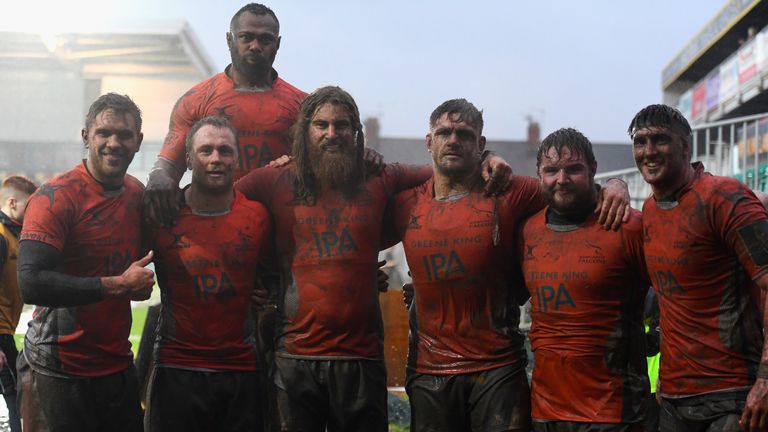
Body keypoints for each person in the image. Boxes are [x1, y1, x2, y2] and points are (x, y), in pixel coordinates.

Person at [235, 86, 526, 431]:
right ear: (304, 131)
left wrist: (488, 156)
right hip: (293, 356)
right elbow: (217, 206)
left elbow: (447, 167)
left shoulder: (381, 177)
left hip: (362, 357)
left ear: (356, 132)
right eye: (321, 125)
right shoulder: (273, 179)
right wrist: (251, 279)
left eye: (342, 125)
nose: (332, 133)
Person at [393, 104, 631, 432]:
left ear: (481, 144)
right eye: (444, 133)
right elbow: (357, 235)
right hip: (429, 370)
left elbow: (569, 191)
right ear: (428, 141)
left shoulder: (510, 191)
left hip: (498, 369)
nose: (453, 140)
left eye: (464, 134)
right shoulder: (405, 202)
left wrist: (616, 185)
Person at [16, 93, 155, 431]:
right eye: (103, 133)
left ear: (138, 141)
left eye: (124, 135)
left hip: (115, 365)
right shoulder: (56, 197)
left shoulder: (136, 194)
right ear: (86, 137)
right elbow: (31, 282)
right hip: (57, 368)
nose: (114, 143)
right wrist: (118, 286)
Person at [629, 104, 768, 432]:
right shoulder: (649, 210)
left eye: (660, 140)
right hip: (674, 398)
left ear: (685, 147)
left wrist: (765, 380)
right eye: (640, 142)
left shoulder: (725, 197)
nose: (649, 151)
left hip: (732, 395)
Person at [144, 116, 271, 431]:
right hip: (177, 367)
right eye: (206, 150)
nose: (216, 159)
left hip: (240, 370)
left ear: (237, 158)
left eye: (225, 151)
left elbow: (277, 275)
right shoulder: (162, 215)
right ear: (189, 159)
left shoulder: (258, 217)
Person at [519, 127, 649, 431]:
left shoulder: (628, 226)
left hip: (615, 413)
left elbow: (677, 295)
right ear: (539, 174)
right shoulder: (526, 232)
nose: (562, 179)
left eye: (573, 169)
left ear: (593, 169)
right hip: (546, 410)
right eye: (551, 170)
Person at [145, 2, 306, 225]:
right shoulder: (196, 100)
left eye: (265, 39)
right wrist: (159, 177)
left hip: (279, 223)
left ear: (277, 44)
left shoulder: (302, 105)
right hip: (214, 222)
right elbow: (170, 164)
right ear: (229, 40)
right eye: (246, 37)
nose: (255, 46)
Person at [0, 176, 37, 432]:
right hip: (0, 333)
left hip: (6, 330)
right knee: (16, 396)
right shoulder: (1, 237)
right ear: (12, 203)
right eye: (29, 206)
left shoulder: (14, 234)